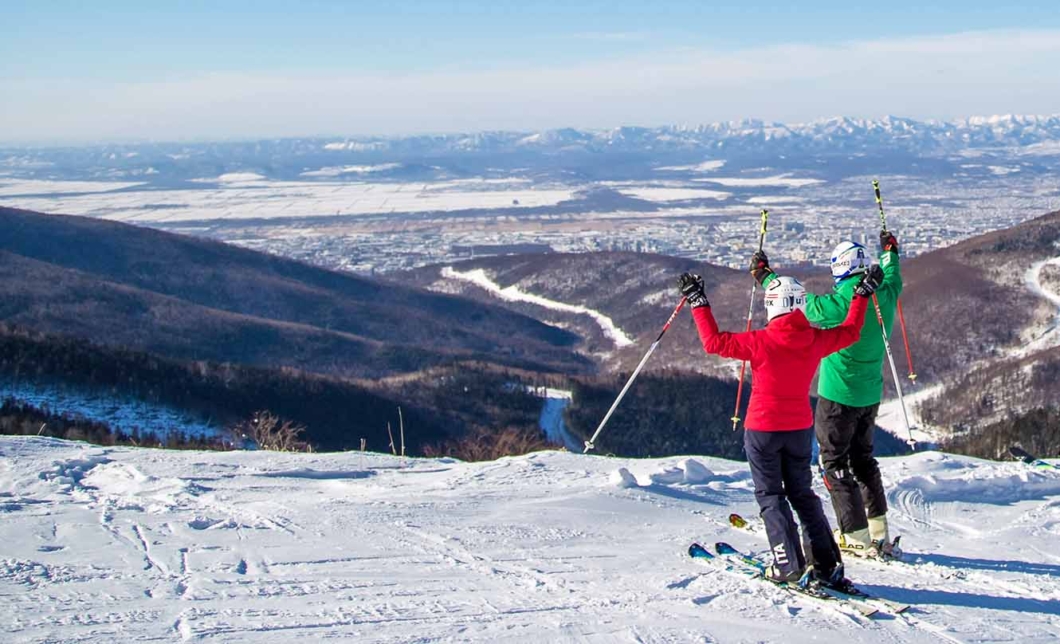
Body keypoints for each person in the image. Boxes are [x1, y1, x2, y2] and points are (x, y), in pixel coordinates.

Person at [678, 264, 882, 588]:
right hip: (799, 429)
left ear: (772, 304)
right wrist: (861, 296)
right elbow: (851, 331)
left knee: (771, 496)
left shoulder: (760, 341)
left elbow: (713, 343)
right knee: (803, 495)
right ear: (800, 303)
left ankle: (788, 565)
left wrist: (698, 302)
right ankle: (826, 564)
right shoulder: (813, 339)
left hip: (762, 429)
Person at [750, 230, 902, 558]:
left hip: (838, 395)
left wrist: (765, 277)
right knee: (863, 460)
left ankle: (855, 535)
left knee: (834, 462)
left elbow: (796, 304)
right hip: (871, 394)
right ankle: (879, 532)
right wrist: (889, 252)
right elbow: (893, 275)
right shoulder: (886, 293)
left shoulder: (840, 303)